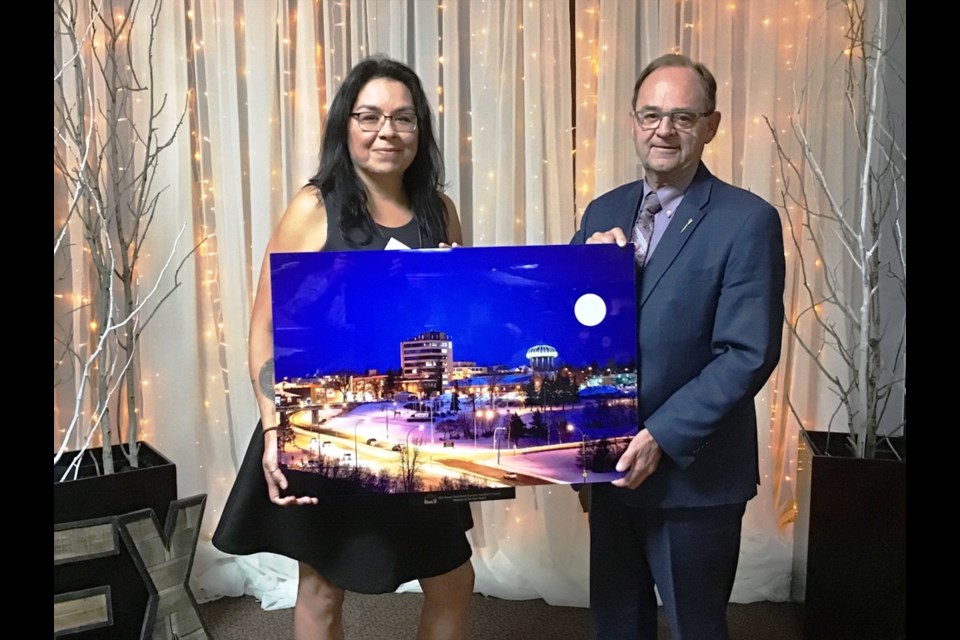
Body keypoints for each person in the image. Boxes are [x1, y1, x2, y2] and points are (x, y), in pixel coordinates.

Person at [213, 56, 474, 640]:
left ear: (420, 129)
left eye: (403, 118)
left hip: (418, 430)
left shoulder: (440, 211)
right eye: (371, 116)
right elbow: (264, 327)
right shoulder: (314, 207)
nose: (387, 132)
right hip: (329, 421)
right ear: (346, 125)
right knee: (322, 585)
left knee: (453, 579)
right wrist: (275, 429)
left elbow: (456, 314)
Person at [570, 54, 785, 639]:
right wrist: (587, 272)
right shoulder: (603, 210)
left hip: (695, 477)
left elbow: (747, 352)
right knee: (616, 625)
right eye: (651, 115)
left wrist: (661, 436)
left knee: (696, 627)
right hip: (610, 469)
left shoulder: (747, 220)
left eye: (682, 118)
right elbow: (570, 331)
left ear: (710, 126)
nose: (664, 130)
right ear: (633, 121)